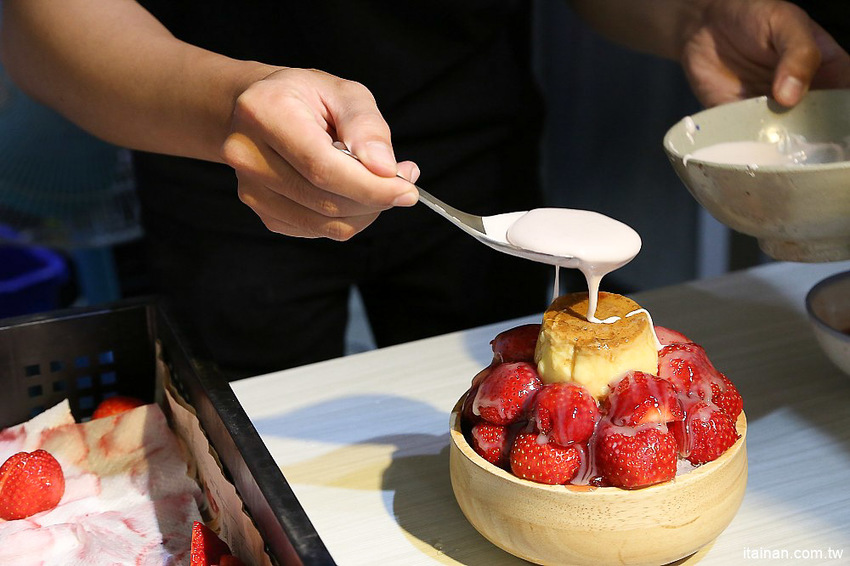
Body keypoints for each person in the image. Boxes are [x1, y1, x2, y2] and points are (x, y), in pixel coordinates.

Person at [2, 0, 849, 378]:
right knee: (252, 470)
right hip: (217, 152)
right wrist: (225, 105)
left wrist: (693, 12)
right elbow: (38, 21)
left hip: (477, 153)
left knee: (484, 413)